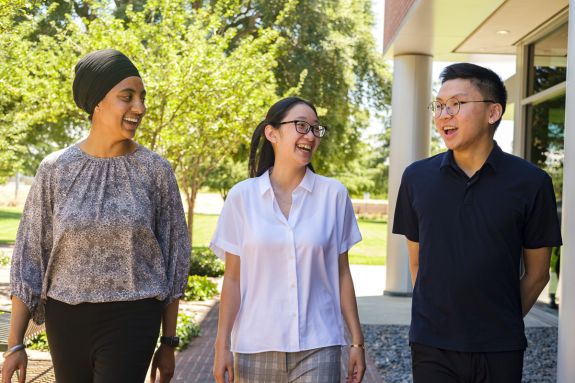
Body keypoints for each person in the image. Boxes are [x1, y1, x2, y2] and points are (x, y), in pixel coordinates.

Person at [1, 49, 190, 383]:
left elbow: (175, 259)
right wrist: (14, 343)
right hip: (66, 318)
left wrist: (169, 342)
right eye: (127, 97)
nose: (140, 108)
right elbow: (31, 256)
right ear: (97, 102)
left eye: (142, 98)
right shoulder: (56, 169)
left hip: (134, 315)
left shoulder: (155, 172)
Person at [393, 63, 563, 383]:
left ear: (493, 112)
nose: (444, 114)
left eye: (456, 104)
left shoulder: (531, 183)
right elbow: (417, 264)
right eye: (439, 105)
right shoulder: (416, 178)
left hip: (500, 347)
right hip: (432, 346)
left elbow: (538, 273)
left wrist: (500, 321)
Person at [211, 97, 366, 383]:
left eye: (315, 129)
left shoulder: (334, 195)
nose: (310, 135)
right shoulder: (241, 198)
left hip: (319, 345)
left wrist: (357, 342)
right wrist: (222, 347)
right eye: (301, 126)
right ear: (272, 133)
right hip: (255, 346)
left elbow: (342, 273)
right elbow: (232, 279)